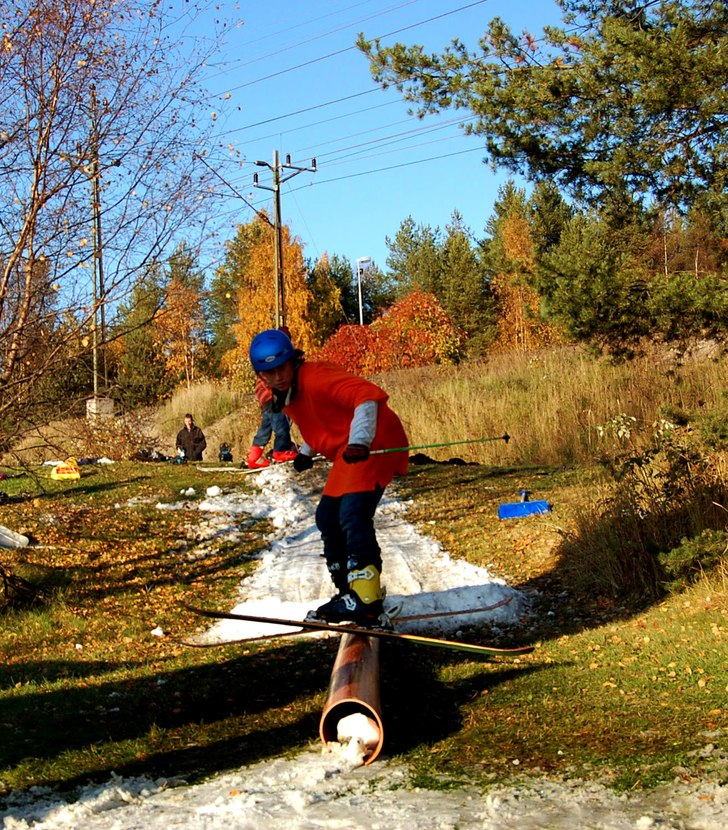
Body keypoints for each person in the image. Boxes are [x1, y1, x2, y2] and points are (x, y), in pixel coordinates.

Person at [249, 328, 409, 627]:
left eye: (282, 368)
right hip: (351, 449)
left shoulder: (315, 377)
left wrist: (360, 441)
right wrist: (306, 452)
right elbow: (321, 421)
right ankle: (348, 593)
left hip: (374, 441)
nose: (278, 377)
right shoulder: (286, 395)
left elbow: (366, 397)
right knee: (327, 516)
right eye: (269, 373)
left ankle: (366, 600)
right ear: (261, 375)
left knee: (352, 514)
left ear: (293, 362)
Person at [246, 376, 298, 468]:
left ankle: (254, 455)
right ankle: (281, 451)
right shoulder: (272, 371)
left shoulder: (263, 372)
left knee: (265, 428)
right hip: (273, 398)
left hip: (265, 399)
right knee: (281, 426)